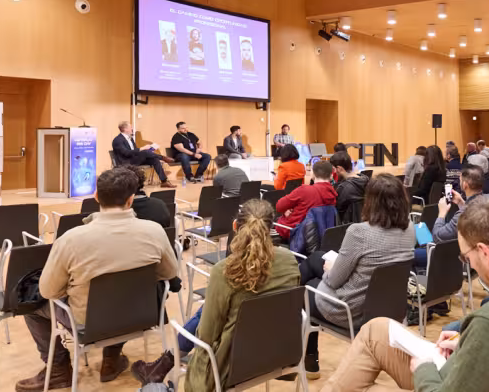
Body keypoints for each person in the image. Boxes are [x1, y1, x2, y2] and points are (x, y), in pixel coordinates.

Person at [320, 199, 489, 392]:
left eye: (466, 257)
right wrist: (467, 343)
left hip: (446, 381)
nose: (469, 264)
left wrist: (424, 368)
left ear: (484, 252)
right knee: (376, 329)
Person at [17, 168, 179, 391]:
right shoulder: (155, 231)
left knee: (31, 307)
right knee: (123, 295)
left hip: (88, 323)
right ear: (131, 200)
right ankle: (111, 360)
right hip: (141, 315)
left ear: (95, 197)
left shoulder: (71, 240)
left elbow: (48, 292)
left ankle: (57, 369)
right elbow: (169, 273)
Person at [177, 199, 301, 392]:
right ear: (271, 228)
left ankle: (169, 358)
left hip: (233, 368)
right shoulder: (289, 260)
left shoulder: (223, 271)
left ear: (235, 226)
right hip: (279, 355)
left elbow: (207, 335)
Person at [300, 174, 415, 374]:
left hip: (352, 312)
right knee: (316, 258)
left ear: (371, 201)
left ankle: (304, 356)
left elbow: (334, 281)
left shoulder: (359, 232)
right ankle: (309, 359)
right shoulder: (410, 229)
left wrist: (330, 269)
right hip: (388, 309)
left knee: (305, 288)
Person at [415, 166, 489, 268]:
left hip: (450, 254)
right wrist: (461, 203)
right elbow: (472, 209)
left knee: (417, 233)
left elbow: (438, 237)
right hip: (473, 250)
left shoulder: (464, 214)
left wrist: (442, 213)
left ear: (465, 185)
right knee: (420, 228)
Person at [275, 161, 336, 241]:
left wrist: (287, 209)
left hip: (296, 233)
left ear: (313, 174)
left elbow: (279, 206)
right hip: (320, 235)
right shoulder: (333, 193)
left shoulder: (304, 190)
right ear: (331, 176)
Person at [111, 121, 177, 188]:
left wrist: (146, 151)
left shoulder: (130, 138)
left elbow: (135, 151)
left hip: (134, 159)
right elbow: (126, 153)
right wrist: (142, 149)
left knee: (155, 160)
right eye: (130, 127)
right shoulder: (117, 140)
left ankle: (164, 181)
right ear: (125, 129)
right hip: (126, 162)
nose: (132, 129)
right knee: (144, 152)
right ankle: (163, 158)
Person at [331, 151, 369, 225]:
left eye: (334, 169)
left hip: (348, 227)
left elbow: (337, 210)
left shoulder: (343, 188)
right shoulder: (366, 179)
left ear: (339, 168)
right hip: (367, 223)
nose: (334, 172)